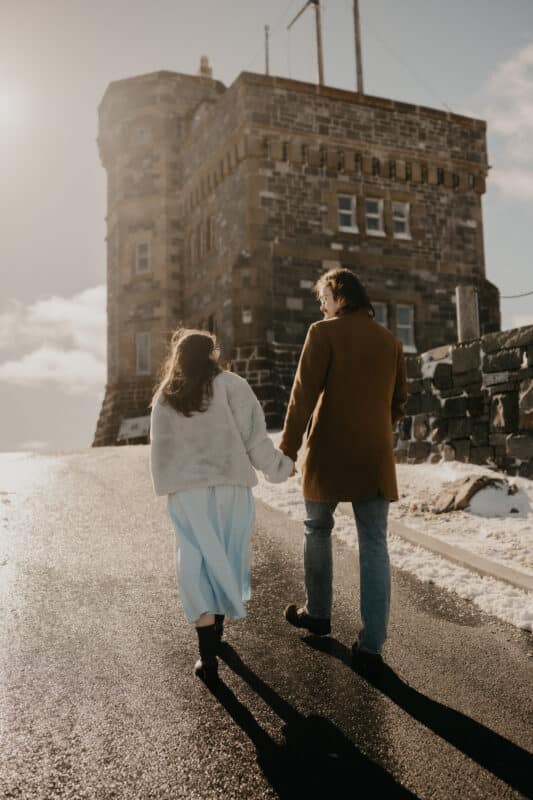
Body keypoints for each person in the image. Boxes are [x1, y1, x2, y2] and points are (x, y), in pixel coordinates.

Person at [279, 268, 407, 672]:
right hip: (374, 455)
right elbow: (399, 403)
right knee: (374, 543)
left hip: (328, 452)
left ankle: (318, 614)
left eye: (324, 296)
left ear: (340, 295)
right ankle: (370, 645)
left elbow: (302, 396)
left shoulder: (323, 333)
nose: (321, 304)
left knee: (317, 528)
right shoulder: (391, 342)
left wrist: (287, 447)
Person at [149, 329, 294, 686]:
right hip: (230, 486)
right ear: (211, 354)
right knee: (226, 555)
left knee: (194, 561)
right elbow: (255, 438)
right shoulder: (233, 385)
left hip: (187, 492)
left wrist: (170, 486)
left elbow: (160, 451)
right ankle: (218, 632)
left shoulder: (166, 397)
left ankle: (208, 654)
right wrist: (281, 468)